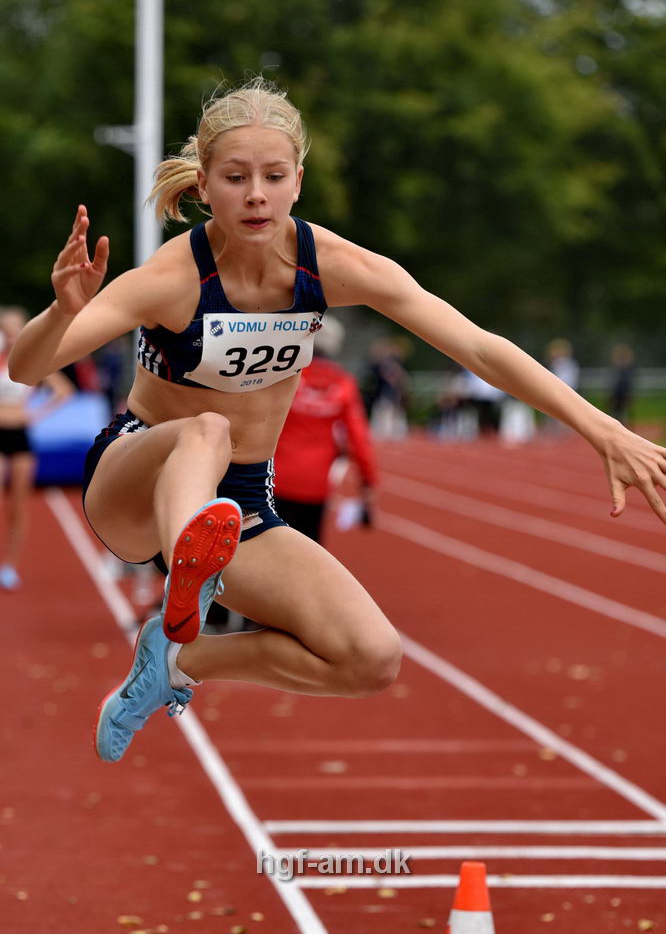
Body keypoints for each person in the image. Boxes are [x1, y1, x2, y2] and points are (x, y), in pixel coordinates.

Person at [10, 78, 666, 764]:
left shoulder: (331, 265)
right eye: (236, 178)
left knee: (370, 656)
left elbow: (476, 346)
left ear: (299, 181)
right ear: (204, 185)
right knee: (207, 429)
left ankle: (180, 661)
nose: (256, 194)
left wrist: (603, 428)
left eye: (272, 176)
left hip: (243, 502)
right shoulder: (174, 277)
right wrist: (62, 312)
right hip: (138, 480)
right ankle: (189, 573)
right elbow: (27, 371)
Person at [273, 314, 377, 543]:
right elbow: (359, 438)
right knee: (309, 549)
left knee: (269, 548)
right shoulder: (343, 383)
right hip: (316, 483)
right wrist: (367, 482)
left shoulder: (285, 374)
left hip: (275, 478)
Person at [0, 307, 73, 590]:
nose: (10, 334)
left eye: (14, 328)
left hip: (20, 434)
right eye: (5, 329)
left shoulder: (31, 360)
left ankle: (9, 566)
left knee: (18, 506)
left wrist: (36, 414)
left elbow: (64, 391)